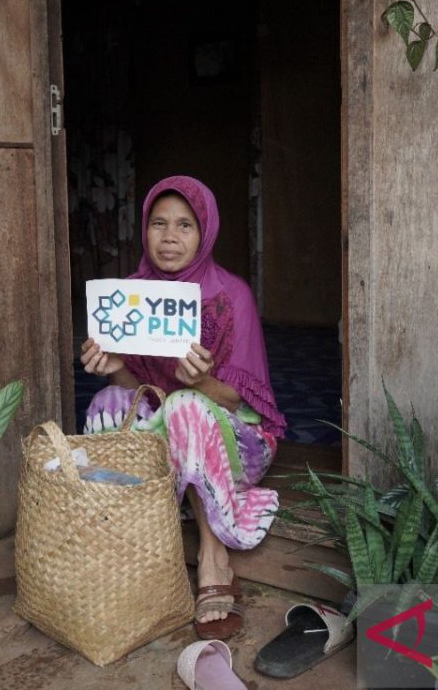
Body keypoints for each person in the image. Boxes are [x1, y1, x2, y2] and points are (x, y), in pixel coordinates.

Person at [80, 175, 286, 641]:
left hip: (234, 438)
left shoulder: (230, 297)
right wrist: (115, 368)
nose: (170, 237)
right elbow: (141, 396)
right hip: (166, 428)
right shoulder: (129, 297)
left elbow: (237, 399)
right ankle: (134, 538)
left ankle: (213, 559)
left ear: (205, 231)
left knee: (186, 406)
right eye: (159, 223)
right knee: (107, 403)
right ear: (145, 229)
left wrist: (201, 381)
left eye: (185, 226)